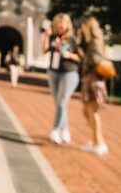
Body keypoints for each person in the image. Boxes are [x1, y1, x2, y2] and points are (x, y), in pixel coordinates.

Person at [42, 13, 80, 144]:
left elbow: (81, 57)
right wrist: (46, 36)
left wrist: (69, 55)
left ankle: (56, 130)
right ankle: (66, 130)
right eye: (57, 22)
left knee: (62, 101)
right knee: (59, 103)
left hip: (68, 72)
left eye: (62, 22)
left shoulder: (72, 39)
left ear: (67, 24)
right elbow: (44, 50)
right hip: (53, 72)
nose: (59, 24)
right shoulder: (53, 37)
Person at [77, 16, 109, 155]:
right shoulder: (90, 42)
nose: (82, 29)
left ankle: (99, 142)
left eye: (83, 27)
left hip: (94, 80)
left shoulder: (96, 42)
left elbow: (96, 60)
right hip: (89, 80)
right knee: (86, 111)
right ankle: (96, 140)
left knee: (92, 111)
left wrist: (83, 56)